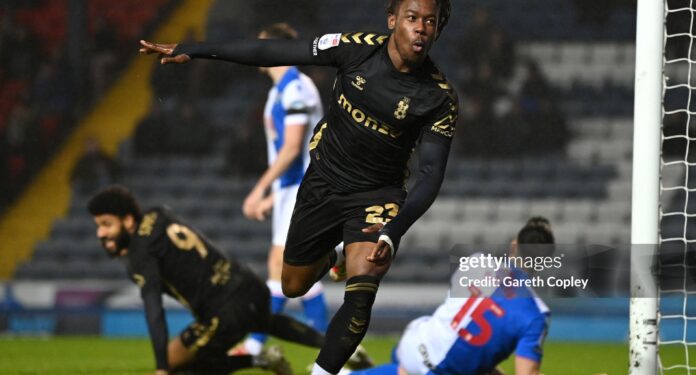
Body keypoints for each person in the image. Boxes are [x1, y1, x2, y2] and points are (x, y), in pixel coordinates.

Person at [139, 0, 457, 373]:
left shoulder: (439, 99)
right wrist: (194, 50)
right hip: (322, 181)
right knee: (292, 284)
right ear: (392, 20)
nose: (420, 28)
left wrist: (393, 229)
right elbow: (271, 50)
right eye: (412, 18)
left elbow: (431, 174)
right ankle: (335, 255)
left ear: (438, 30)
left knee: (364, 282)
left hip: (377, 196)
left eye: (430, 22)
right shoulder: (354, 48)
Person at [87, 185, 327, 375]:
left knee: (181, 366)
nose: (101, 233)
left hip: (223, 310)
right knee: (264, 322)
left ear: (128, 221)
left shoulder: (140, 255)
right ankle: (336, 347)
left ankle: (260, 359)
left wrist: (161, 368)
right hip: (247, 283)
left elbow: (153, 308)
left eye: (106, 225)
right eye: (98, 226)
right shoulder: (158, 213)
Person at [348, 217, 554, 375]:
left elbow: (462, 324)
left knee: (406, 366)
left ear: (514, 246)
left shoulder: (478, 261)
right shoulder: (536, 314)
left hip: (417, 338)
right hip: (440, 367)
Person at [236, 22, 330, 357]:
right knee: (290, 267)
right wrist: (276, 194)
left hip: (306, 189)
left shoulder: (296, 89)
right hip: (292, 189)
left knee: (283, 263)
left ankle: (256, 344)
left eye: (262, 45)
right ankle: (330, 351)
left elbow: (292, 148)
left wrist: (259, 190)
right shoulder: (279, 91)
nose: (256, 52)